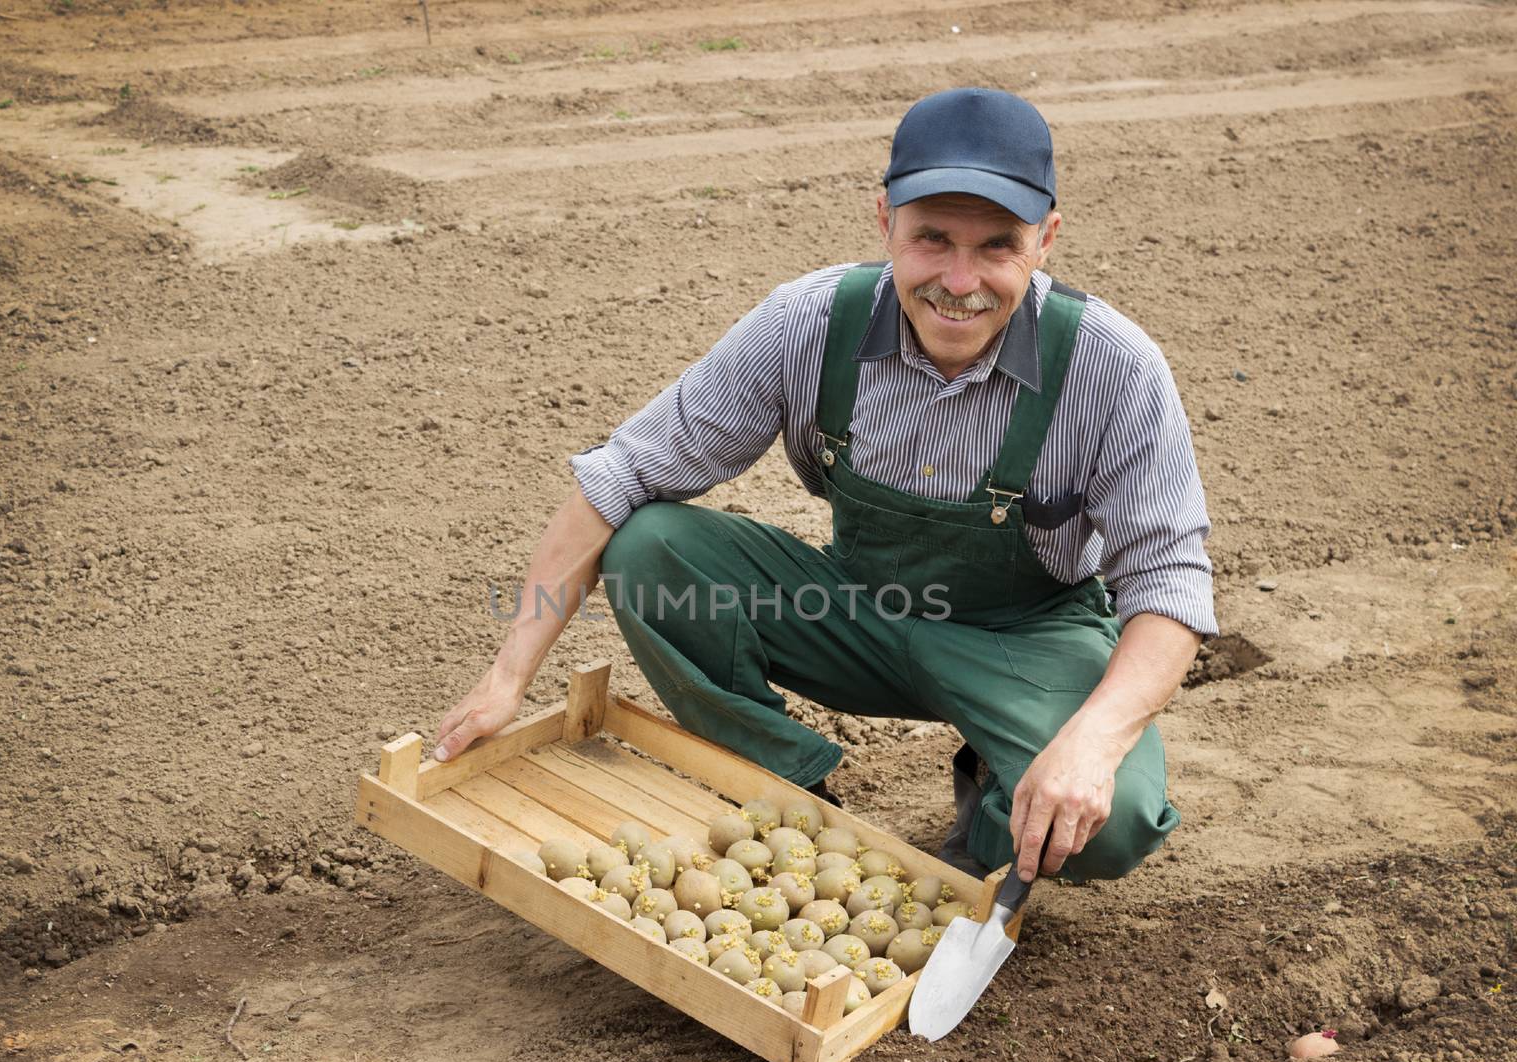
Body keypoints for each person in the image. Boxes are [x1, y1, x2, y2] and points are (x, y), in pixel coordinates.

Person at [435, 88, 1215, 885]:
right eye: (932, 239)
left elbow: (1170, 584)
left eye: (997, 248)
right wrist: (507, 677)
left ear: (1046, 240)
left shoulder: (1111, 367)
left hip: (1024, 639)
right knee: (651, 550)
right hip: (853, 612)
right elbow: (622, 474)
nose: (958, 279)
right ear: (885, 222)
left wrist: (1089, 744)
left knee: (1110, 822)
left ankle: (989, 818)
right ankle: (787, 796)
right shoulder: (809, 323)